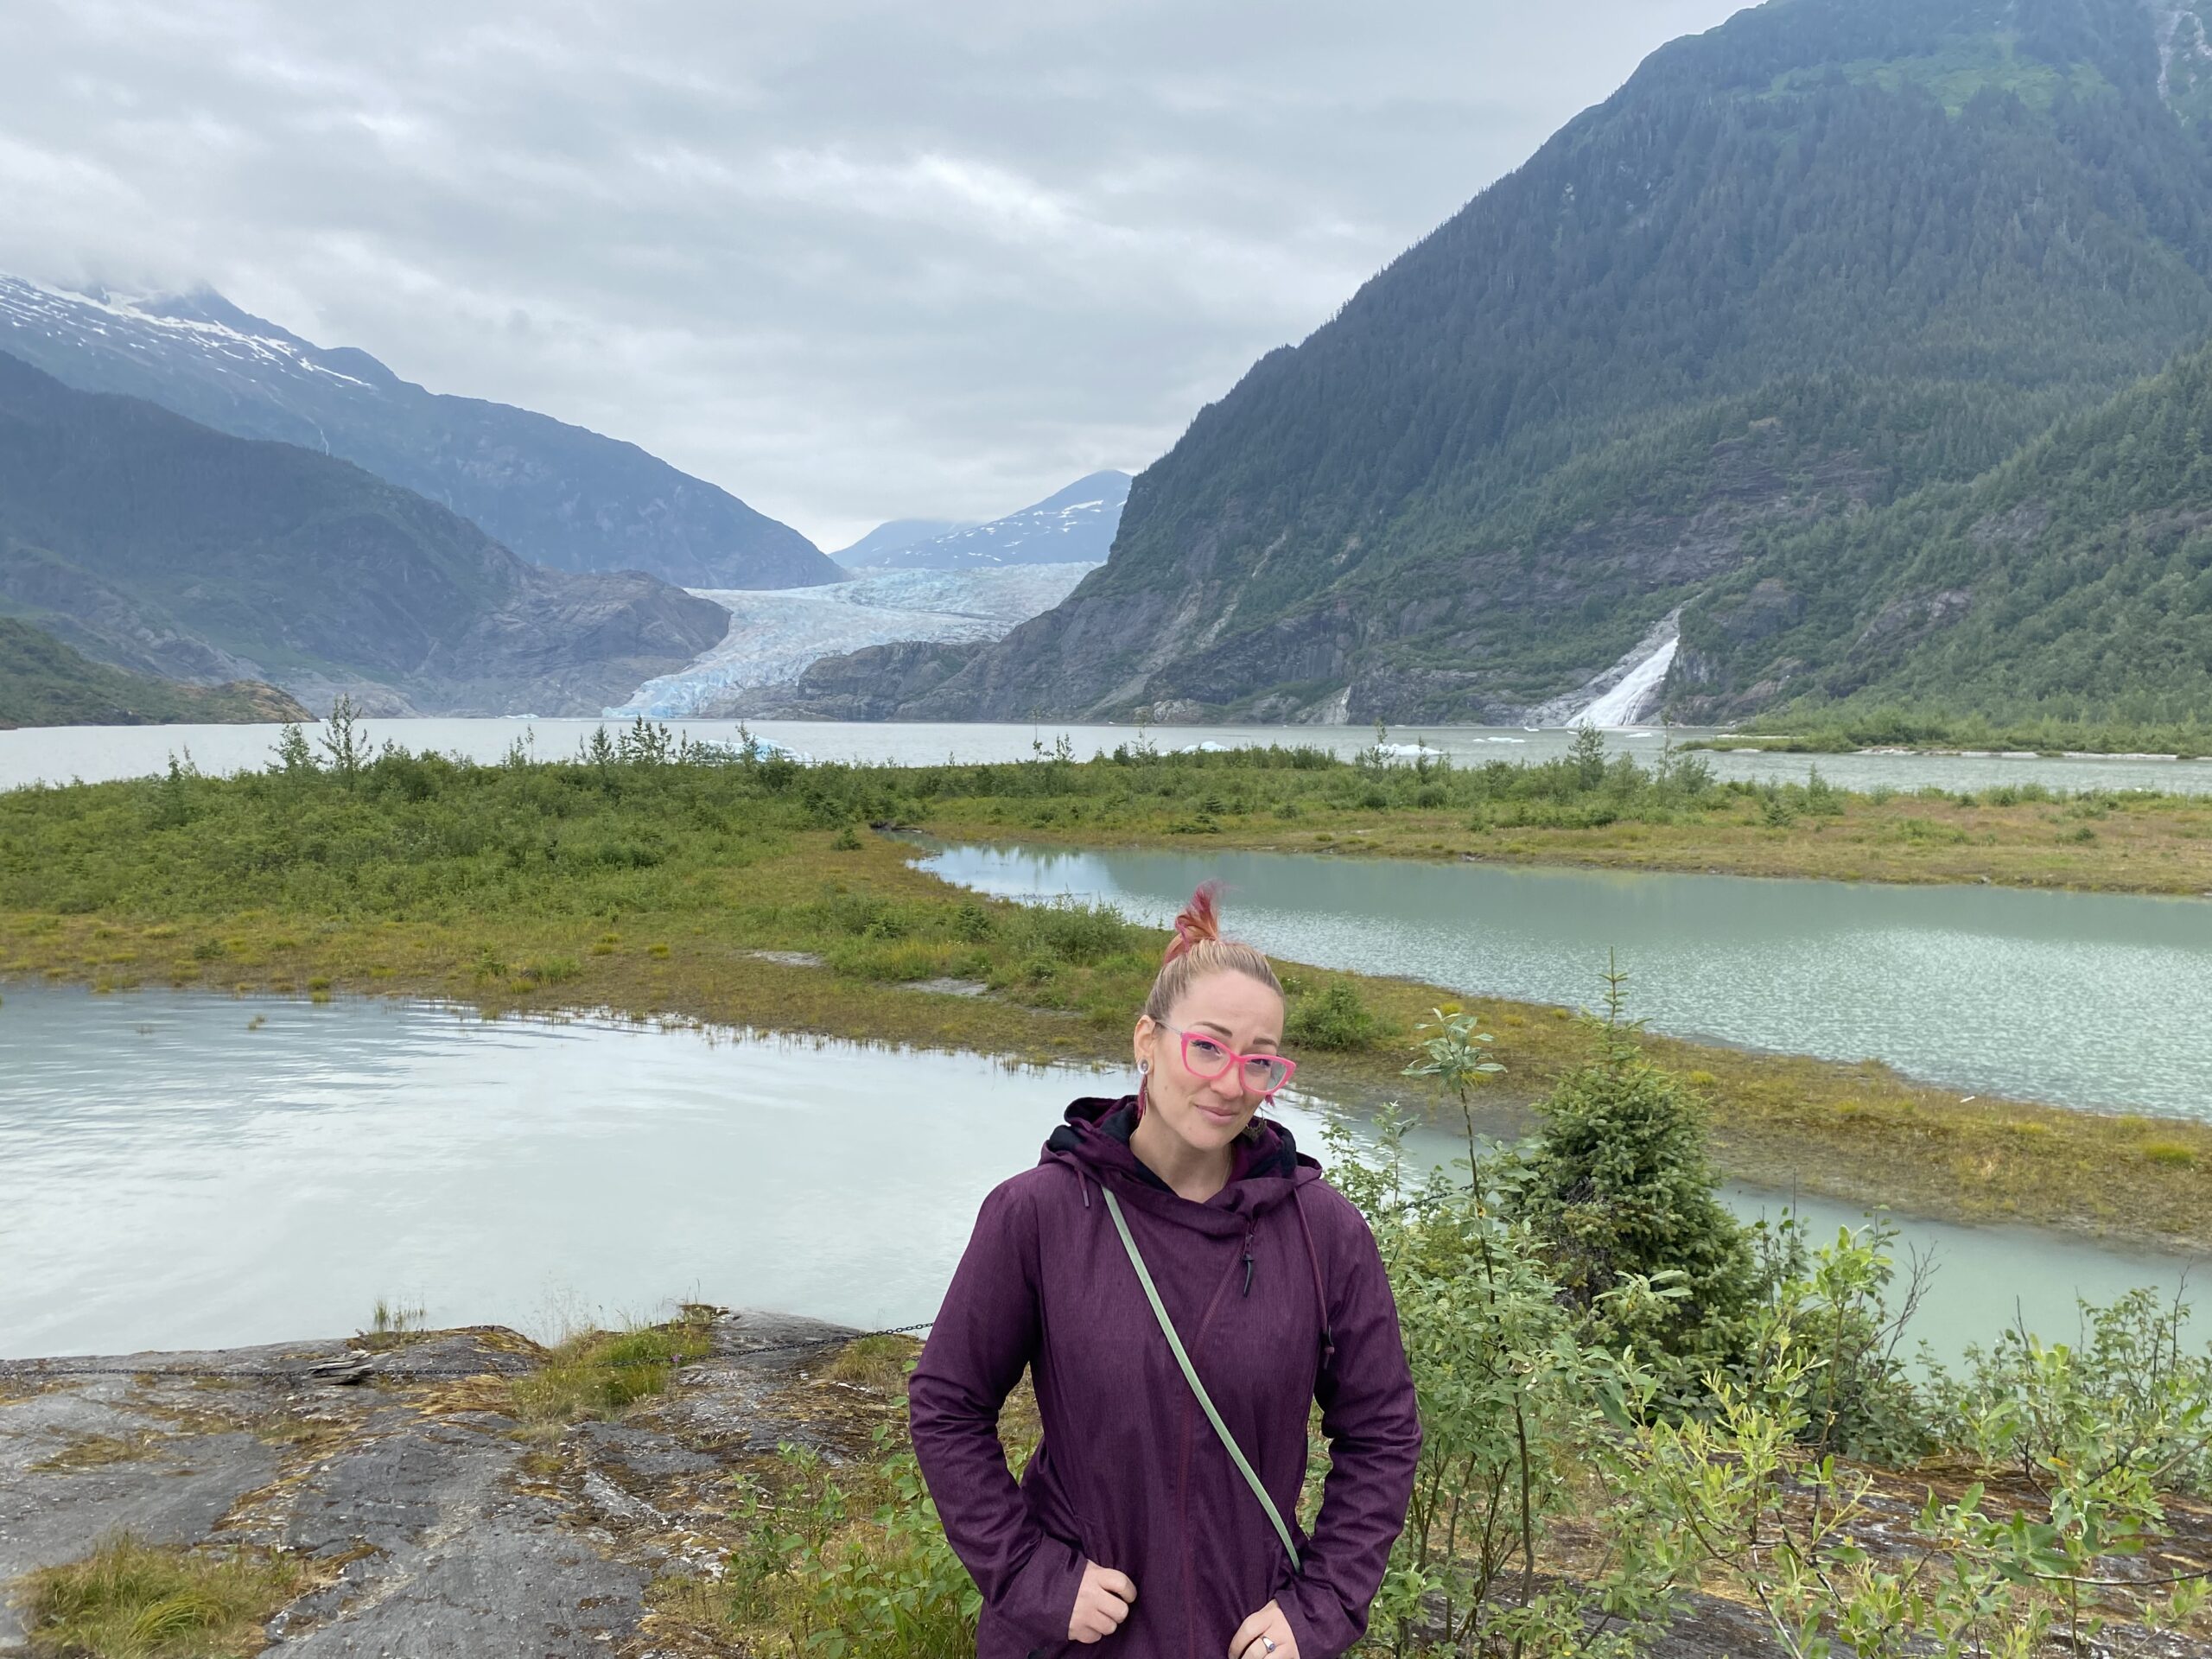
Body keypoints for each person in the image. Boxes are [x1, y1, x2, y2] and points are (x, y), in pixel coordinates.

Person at [910, 884, 1421, 1659]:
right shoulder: (1038, 1214)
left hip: (1244, 1636)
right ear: (1146, 1040)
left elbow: (1382, 1432)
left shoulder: (1325, 1232)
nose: (1231, 1083)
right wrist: (1031, 1577)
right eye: (1207, 1047)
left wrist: (1320, 1609)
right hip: (1073, 1638)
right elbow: (947, 1405)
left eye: (1259, 1061)